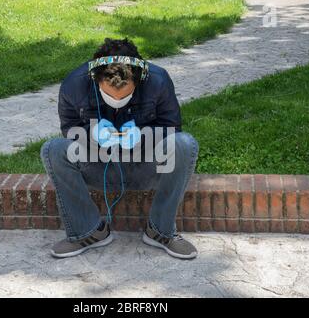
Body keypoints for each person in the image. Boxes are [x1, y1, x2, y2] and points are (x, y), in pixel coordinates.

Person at [40, 37, 199, 259]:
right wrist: (92, 135)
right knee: (53, 149)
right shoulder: (73, 84)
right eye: (109, 95)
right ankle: (88, 232)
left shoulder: (158, 80)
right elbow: (69, 128)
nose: (117, 100)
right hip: (98, 166)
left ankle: (160, 231)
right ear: (95, 79)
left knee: (185, 144)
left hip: (144, 167)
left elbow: (172, 129)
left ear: (139, 79)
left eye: (125, 95)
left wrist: (142, 138)